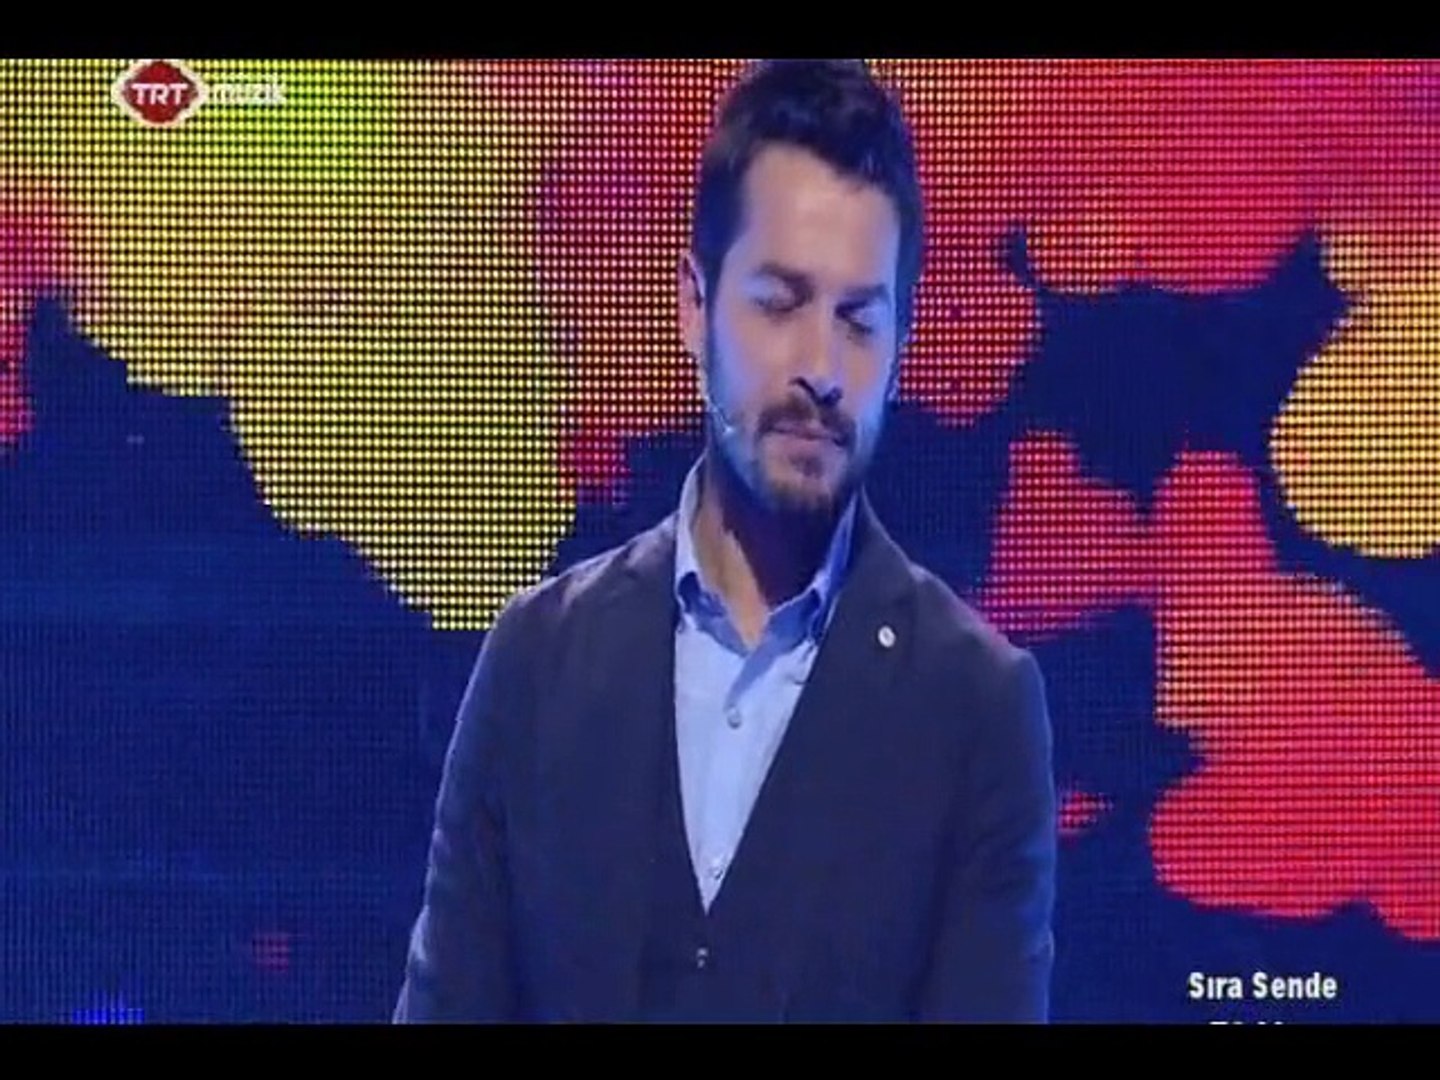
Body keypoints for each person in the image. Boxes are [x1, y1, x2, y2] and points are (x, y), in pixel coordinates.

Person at [393, 57, 1057, 1023]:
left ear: (901, 345)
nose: (821, 367)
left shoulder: (975, 709)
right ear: (694, 307)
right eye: (780, 302)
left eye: (859, 321)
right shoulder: (540, 660)